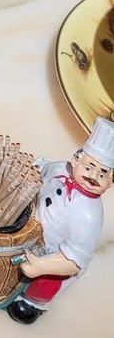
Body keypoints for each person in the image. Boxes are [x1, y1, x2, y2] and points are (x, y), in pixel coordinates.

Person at [7, 116, 114, 324]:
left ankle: (32, 303)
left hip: (52, 256)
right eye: (89, 167)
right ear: (76, 160)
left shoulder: (89, 216)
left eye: (102, 174)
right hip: (27, 230)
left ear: (110, 183)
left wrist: (41, 266)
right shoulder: (58, 169)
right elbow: (39, 170)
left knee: (45, 284)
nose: (93, 176)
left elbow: (74, 261)